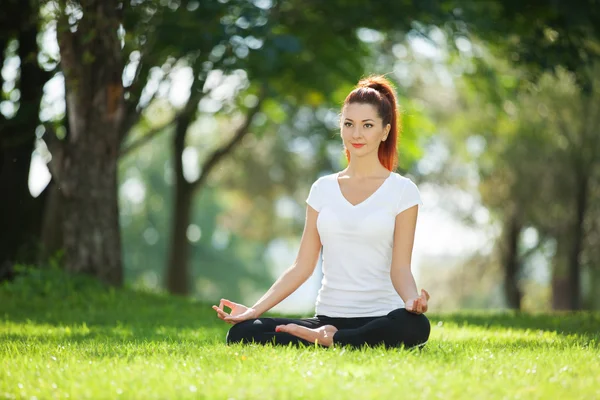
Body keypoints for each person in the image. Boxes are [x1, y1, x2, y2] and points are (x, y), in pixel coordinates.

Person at [212, 75, 431, 350]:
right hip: (327, 317)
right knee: (242, 333)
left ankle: (332, 340)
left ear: (385, 131)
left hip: (381, 317)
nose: (356, 134)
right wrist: (254, 311)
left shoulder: (402, 191)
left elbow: (400, 268)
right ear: (341, 127)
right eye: (349, 124)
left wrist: (412, 301)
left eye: (367, 125)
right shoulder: (322, 189)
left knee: (416, 326)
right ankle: (330, 337)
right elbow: (302, 266)